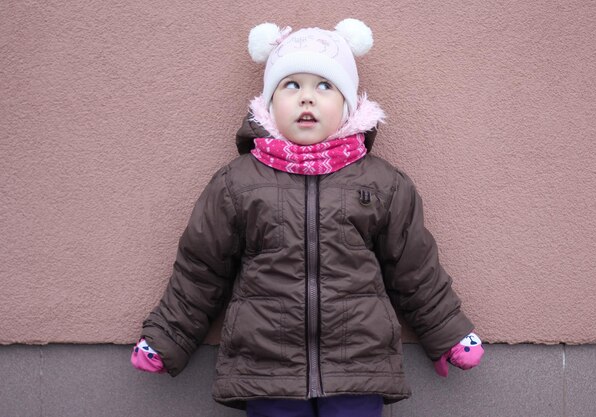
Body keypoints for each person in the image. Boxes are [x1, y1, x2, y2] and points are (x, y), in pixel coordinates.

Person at [131, 18, 484, 417]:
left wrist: (449, 334)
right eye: (291, 85)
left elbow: (415, 268)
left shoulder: (382, 183)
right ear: (269, 102)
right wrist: (167, 336)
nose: (307, 99)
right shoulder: (238, 183)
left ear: (348, 104)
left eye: (324, 86)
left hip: (358, 365)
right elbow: (201, 270)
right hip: (267, 367)